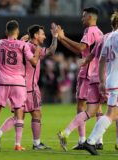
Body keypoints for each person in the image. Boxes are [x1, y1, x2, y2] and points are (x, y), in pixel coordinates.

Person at [0, 23, 58, 150]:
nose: (44, 36)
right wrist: (56, 36)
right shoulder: (32, 47)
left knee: (18, 116)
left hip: (18, 86)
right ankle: (37, 144)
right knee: (37, 114)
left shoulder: (23, 45)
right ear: (36, 35)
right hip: (30, 87)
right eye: (42, 34)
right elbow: (52, 51)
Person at [0, 20, 41, 151]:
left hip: (2, 81)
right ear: (17, 31)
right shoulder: (23, 45)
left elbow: (11, 43)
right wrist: (37, 50)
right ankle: (17, 144)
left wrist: (20, 40)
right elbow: (33, 61)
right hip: (18, 83)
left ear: (6, 32)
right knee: (19, 112)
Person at [57, 7, 103, 150]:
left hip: (87, 74)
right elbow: (80, 50)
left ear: (90, 17)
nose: (82, 19)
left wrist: (63, 37)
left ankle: (82, 139)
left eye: (83, 17)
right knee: (98, 107)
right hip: (97, 74)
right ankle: (98, 140)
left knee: (81, 106)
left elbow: (80, 48)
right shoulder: (100, 32)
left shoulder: (89, 31)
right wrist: (61, 39)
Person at [82, 11, 118, 155]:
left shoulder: (109, 37)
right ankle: (90, 141)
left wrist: (103, 81)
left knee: (114, 113)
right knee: (110, 114)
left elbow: (102, 59)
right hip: (116, 81)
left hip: (110, 79)